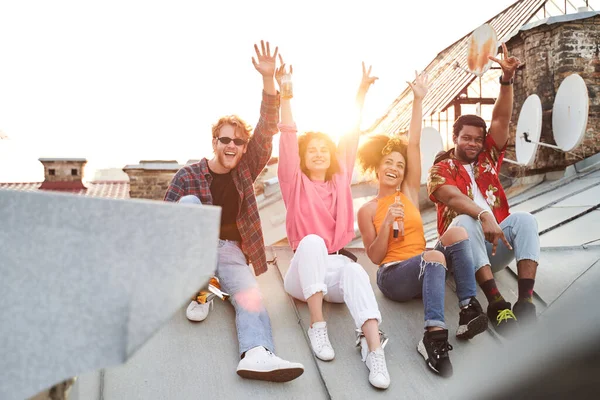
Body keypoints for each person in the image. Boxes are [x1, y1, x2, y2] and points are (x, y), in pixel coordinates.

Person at [164, 41, 304, 382]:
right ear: (214, 141)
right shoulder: (188, 175)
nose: (232, 146)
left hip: (229, 251)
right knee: (190, 206)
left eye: (238, 142)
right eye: (225, 140)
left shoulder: (245, 170)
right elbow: (165, 225)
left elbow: (267, 127)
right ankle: (200, 285)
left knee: (251, 297)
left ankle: (256, 354)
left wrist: (269, 80)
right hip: (193, 250)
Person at [357, 72, 487, 378]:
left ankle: (468, 308)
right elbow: (375, 257)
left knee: (456, 232)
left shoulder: (409, 195)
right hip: (393, 275)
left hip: (428, 266)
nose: (395, 167)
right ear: (378, 168)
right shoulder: (368, 209)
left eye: (400, 165)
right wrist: (388, 222)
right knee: (434, 255)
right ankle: (433, 336)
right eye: (389, 162)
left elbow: (413, 144)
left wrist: (418, 99)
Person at [276, 59, 390, 389]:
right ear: (301, 157)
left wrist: (361, 92)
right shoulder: (293, 182)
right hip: (303, 272)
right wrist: (285, 94)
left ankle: (373, 350)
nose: (319, 153)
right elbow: (287, 137)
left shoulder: (340, 180)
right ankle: (318, 326)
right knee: (312, 242)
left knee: (355, 270)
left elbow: (351, 136)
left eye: (324, 149)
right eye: (311, 150)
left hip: (335, 268)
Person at [428, 43, 539, 336]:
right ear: (454, 138)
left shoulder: (488, 157)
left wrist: (506, 80)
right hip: (460, 255)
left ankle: (526, 302)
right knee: (464, 221)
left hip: (493, 248)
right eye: (466, 138)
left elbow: (501, 119)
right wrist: (483, 215)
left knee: (526, 219)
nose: (473, 144)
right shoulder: (441, 169)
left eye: (478, 139)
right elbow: (450, 196)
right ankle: (496, 303)